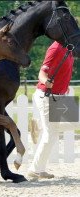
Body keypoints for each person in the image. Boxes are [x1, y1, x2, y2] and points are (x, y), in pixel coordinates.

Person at [28, 41, 80, 179]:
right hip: (47, 96)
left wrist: (64, 86)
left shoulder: (69, 48)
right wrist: (46, 81)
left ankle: (38, 126)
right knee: (51, 134)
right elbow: (42, 72)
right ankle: (35, 170)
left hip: (60, 96)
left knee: (76, 123)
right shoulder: (56, 48)